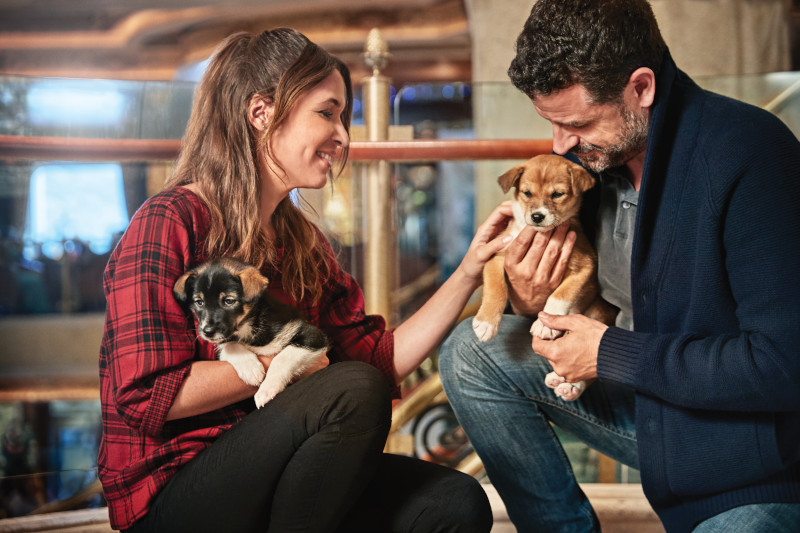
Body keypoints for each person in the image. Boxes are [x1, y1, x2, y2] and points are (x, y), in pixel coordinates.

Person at [98, 28, 506, 533]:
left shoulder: (301, 241)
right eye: (327, 112)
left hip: (275, 473)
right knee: (348, 388)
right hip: (176, 497)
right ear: (261, 112)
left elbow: (373, 360)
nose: (343, 135)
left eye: (343, 117)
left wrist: (470, 270)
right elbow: (146, 394)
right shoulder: (169, 221)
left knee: (455, 503)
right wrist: (285, 357)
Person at [439, 1, 800, 532]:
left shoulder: (751, 154)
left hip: (750, 461)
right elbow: (607, 301)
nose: (561, 145)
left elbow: (783, 365)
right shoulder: (594, 168)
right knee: (472, 353)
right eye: (553, 124)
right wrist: (530, 299)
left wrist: (608, 353)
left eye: (577, 122)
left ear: (641, 88)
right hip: (649, 414)